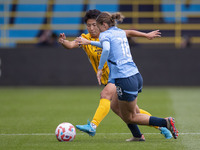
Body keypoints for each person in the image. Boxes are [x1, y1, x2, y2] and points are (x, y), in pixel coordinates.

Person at [58, 9, 172, 141]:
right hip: (110, 80)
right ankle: (154, 129)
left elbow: (128, 32)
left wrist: (146, 35)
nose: (91, 28)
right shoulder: (85, 38)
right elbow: (71, 44)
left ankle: (93, 126)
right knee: (126, 110)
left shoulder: (109, 34)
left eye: (94, 25)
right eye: (88, 25)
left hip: (117, 76)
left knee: (105, 95)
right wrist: (63, 42)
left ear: (101, 24)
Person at [87, 11, 178, 140]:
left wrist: (100, 69)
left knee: (131, 116)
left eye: (97, 26)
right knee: (115, 106)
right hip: (135, 75)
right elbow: (124, 35)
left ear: (104, 25)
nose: (96, 29)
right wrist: (89, 42)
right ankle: (137, 136)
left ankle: (165, 123)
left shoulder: (105, 34)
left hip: (124, 79)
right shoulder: (119, 32)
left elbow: (106, 49)